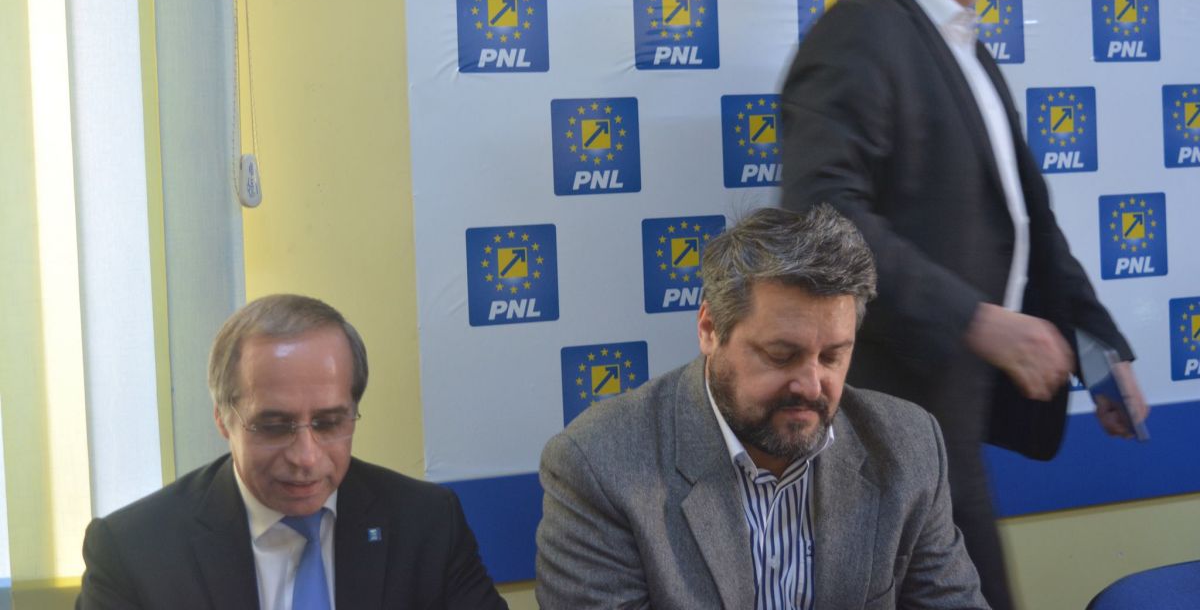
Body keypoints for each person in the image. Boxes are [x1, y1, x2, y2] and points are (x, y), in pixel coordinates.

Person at [779, 0, 1147, 610]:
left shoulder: (963, 47)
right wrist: (976, 321)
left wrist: (1097, 347)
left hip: (949, 415)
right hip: (884, 427)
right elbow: (824, 219)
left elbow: (1029, 224)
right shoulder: (855, 36)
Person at [536, 205, 988, 610]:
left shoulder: (908, 446)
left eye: (833, 356)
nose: (810, 385)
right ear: (710, 329)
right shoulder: (599, 464)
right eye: (780, 355)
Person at [78, 293, 507, 610]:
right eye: (274, 426)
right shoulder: (136, 551)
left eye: (329, 423)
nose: (305, 457)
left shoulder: (426, 524)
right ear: (223, 419)